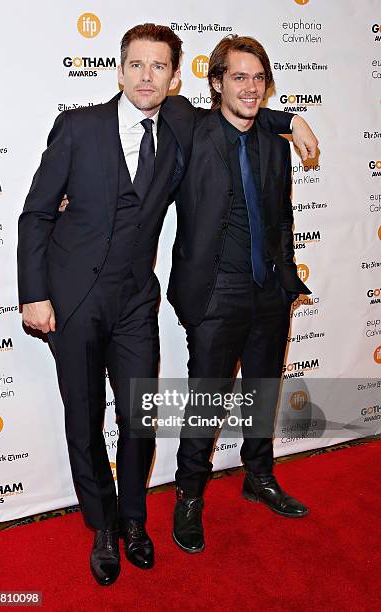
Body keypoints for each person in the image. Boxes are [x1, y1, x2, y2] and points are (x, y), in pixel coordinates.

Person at [17, 24, 316, 585]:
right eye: (136, 65)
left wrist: (290, 119)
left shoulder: (178, 120)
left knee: (139, 418)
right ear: (121, 69)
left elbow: (241, 110)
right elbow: (36, 213)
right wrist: (34, 293)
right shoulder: (79, 126)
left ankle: (134, 520)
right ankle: (102, 526)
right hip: (72, 300)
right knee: (84, 422)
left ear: (175, 77)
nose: (147, 76)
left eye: (159, 67)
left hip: (136, 302)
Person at [167, 35, 311, 554]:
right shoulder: (192, 130)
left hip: (268, 289)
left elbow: (282, 216)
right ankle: (188, 495)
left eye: (258, 79)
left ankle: (258, 476)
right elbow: (160, 100)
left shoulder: (273, 143)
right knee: (207, 401)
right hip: (214, 293)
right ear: (216, 82)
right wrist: (292, 118)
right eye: (238, 77)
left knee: (261, 392)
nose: (250, 88)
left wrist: (286, 277)